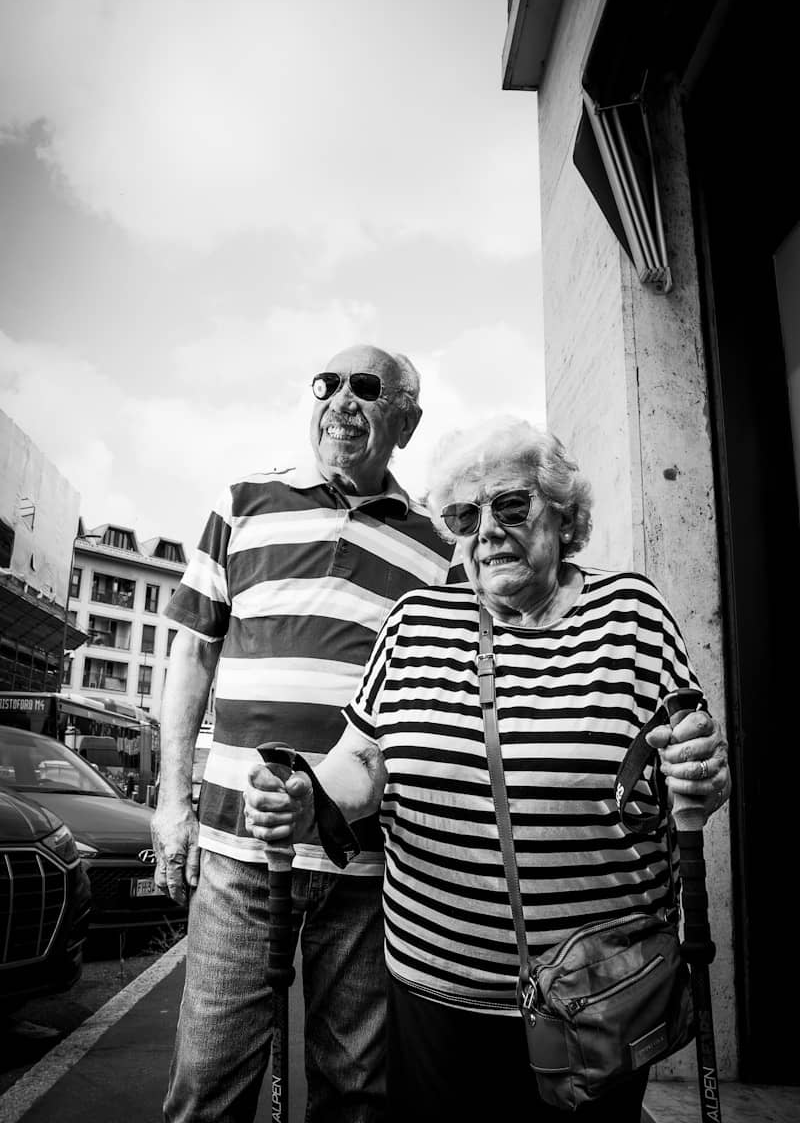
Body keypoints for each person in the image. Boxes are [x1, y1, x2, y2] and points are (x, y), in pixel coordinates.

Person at [244, 417, 731, 1123]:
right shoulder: (416, 621)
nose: (488, 530)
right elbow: (364, 760)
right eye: (464, 516)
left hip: (600, 993)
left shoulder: (633, 614)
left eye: (510, 505)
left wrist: (701, 776)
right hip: (437, 995)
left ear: (563, 515)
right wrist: (305, 792)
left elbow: (689, 757)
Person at [151, 344, 458, 1123]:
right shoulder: (244, 501)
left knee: (356, 1091)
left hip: (365, 868)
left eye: (366, 388)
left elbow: (433, 704)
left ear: (406, 422)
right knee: (207, 1084)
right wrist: (171, 802)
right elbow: (192, 653)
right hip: (238, 851)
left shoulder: (437, 549)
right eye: (328, 385)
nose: (341, 402)